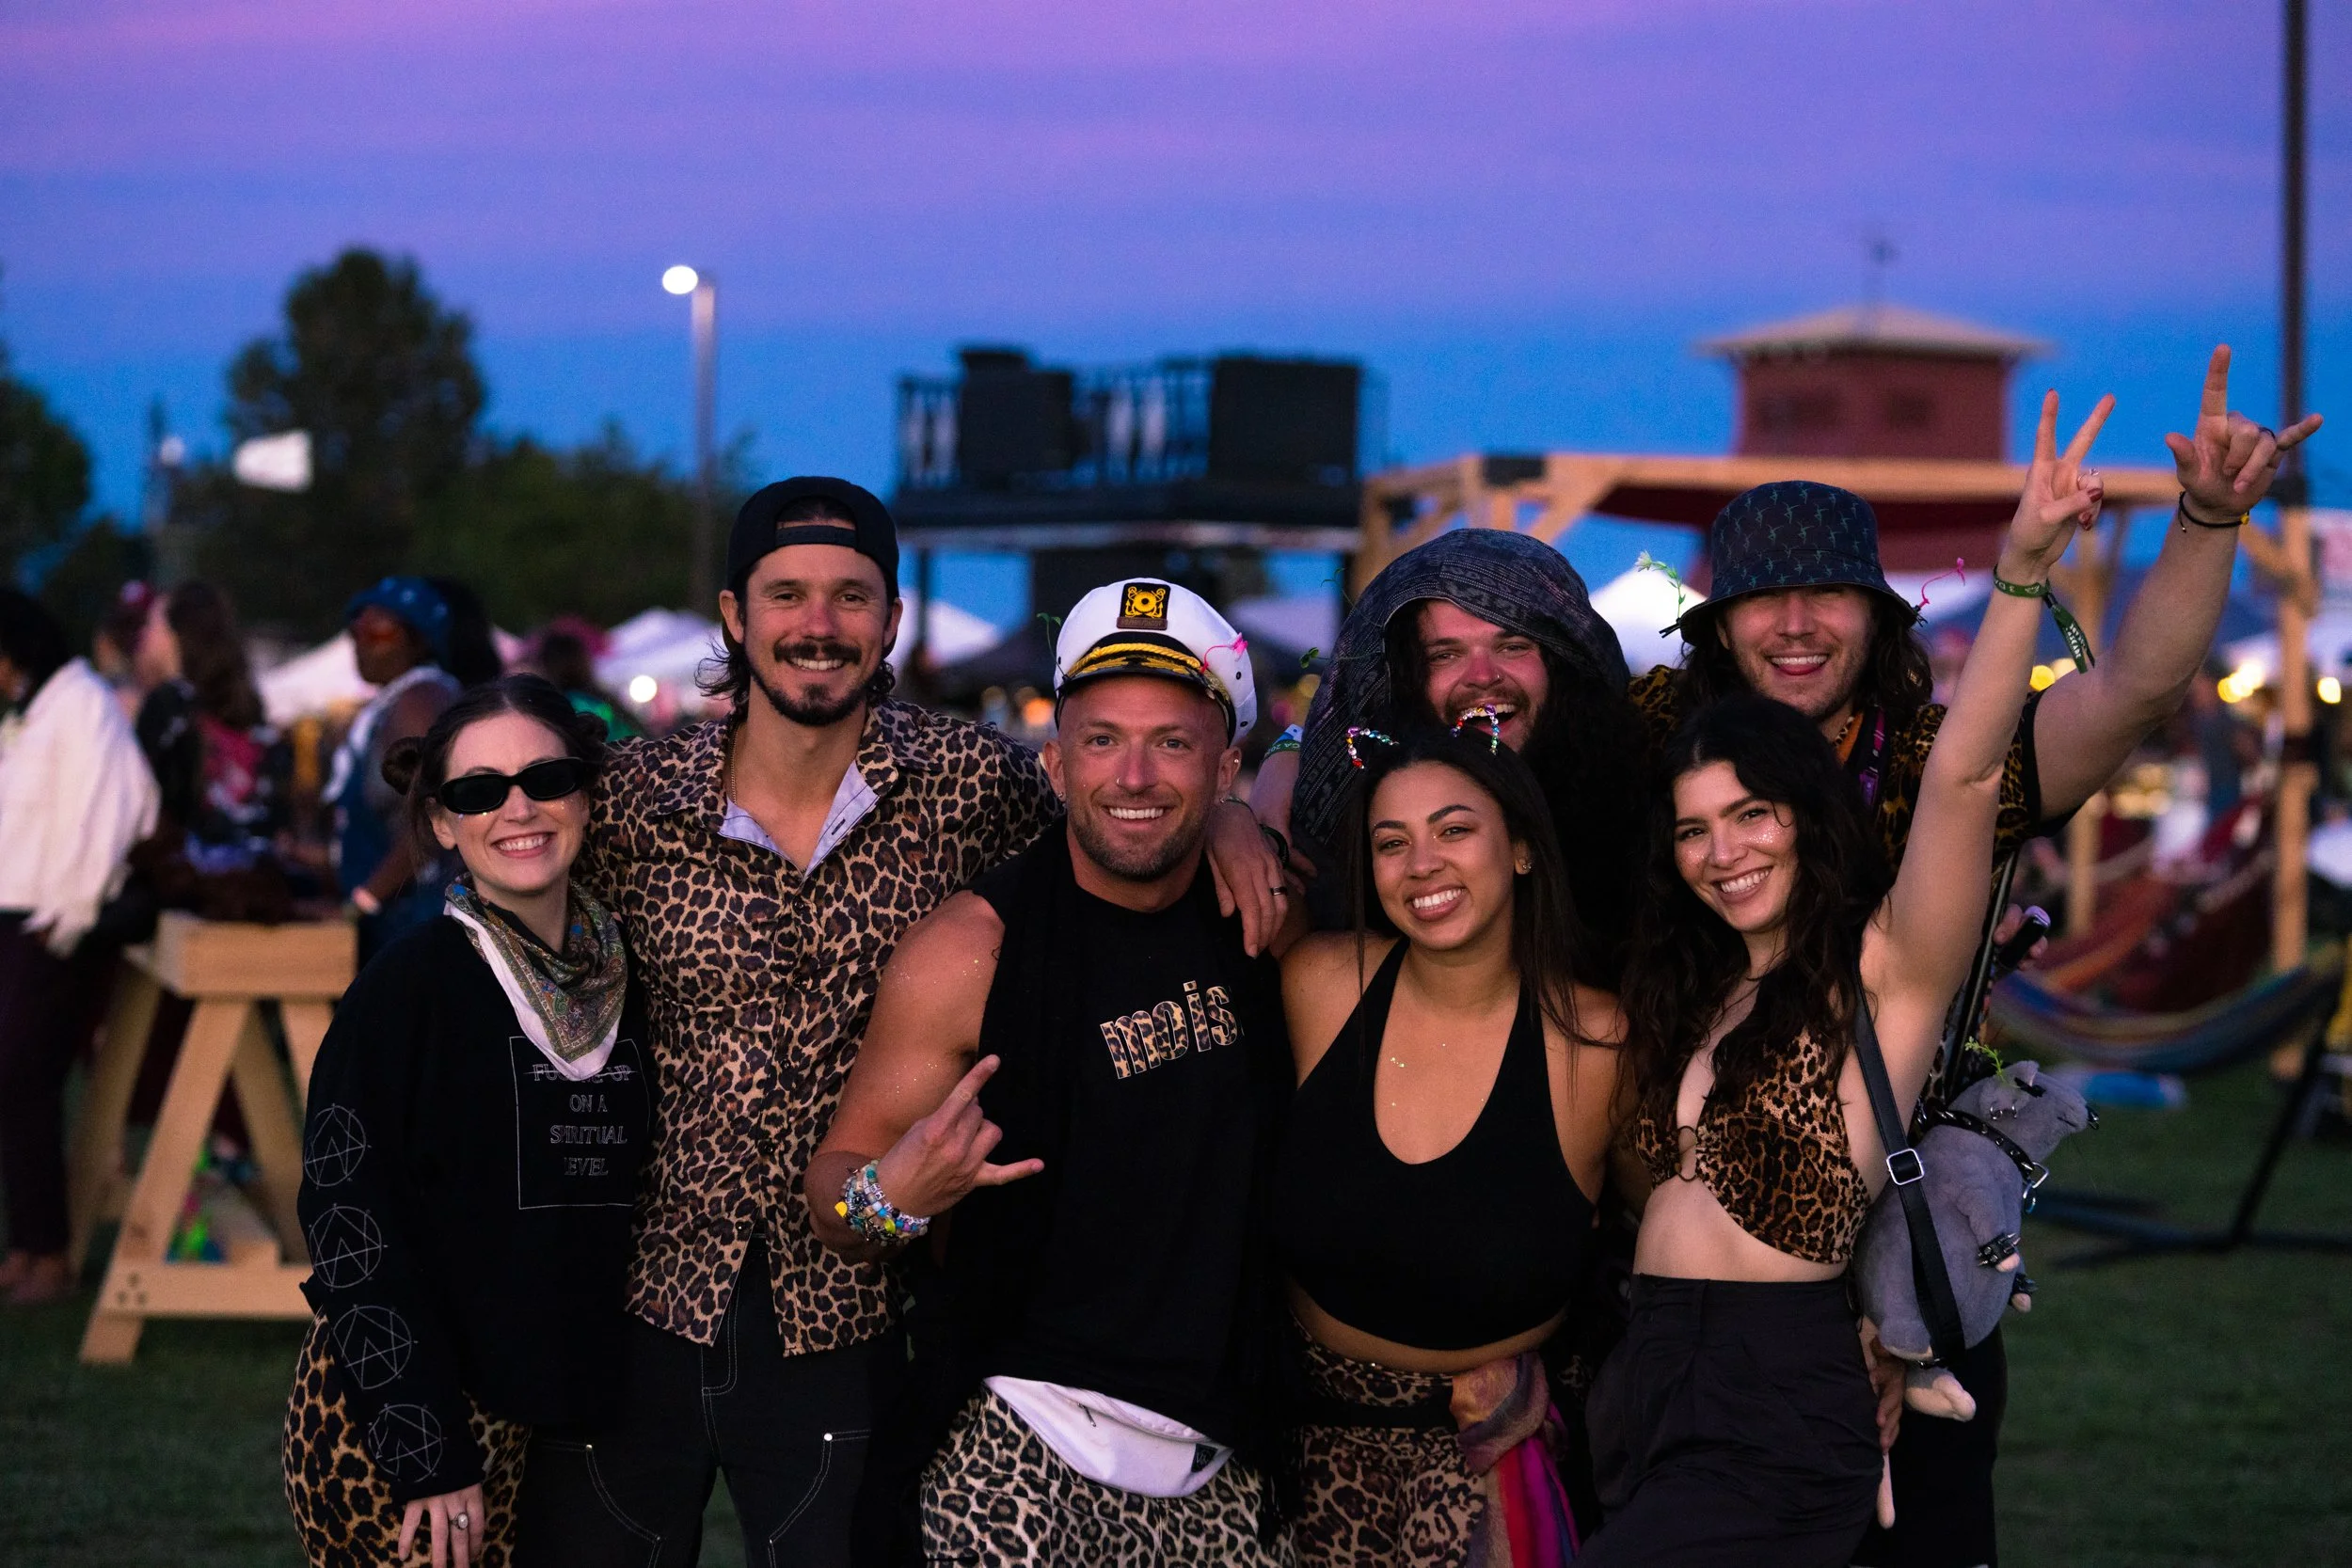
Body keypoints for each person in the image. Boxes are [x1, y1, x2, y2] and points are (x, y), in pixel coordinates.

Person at [1629, 351, 2320, 1568]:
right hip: (1685, 1290)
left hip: (1906, 1245)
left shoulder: (1935, 758)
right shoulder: (1653, 755)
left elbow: (2132, 689)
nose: (1795, 621)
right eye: (1764, 596)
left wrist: (2207, 519)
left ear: (1878, 614)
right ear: (1717, 622)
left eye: (1827, 592)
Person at [558, 480, 1294, 1565]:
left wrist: (1231, 814)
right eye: (787, 594)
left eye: (851, 595)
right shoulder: (630, 798)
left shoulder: (973, 779)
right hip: (643, 1287)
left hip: (843, 1319)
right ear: (734, 614)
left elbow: (1125, 809)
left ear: (892, 619)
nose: (818, 623)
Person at [1577, 392, 2106, 1567]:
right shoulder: (1700, 991)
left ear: (1811, 818)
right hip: (1650, 1377)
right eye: (1694, 827)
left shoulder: (1884, 969)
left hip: (1768, 1393)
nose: (1723, 850)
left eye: (1753, 815)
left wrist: (2021, 570)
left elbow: (1965, 776)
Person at [809, 578, 1300, 1568]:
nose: (1134, 774)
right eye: (1102, 739)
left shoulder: (1266, 914)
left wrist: (1254, 823)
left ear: (1224, 766)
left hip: (1225, 1458)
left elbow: (1366, 768)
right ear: (1055, 762)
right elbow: (835, 1195)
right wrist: (891, 1198)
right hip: (1016, 1443)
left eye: (1172, 742)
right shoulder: (969, 951)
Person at [284, 674, 653, 1568]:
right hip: (413, 1429)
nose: (517, 808)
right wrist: (427, 1450)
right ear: (444, 822)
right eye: (480, 790)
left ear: (585, 797)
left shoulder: (629, 978)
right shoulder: (403, 992)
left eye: (546, 780)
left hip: (571, 1426)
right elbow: (346, 1219)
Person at [1274, 721, 1623, 1563]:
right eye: (1391, 842)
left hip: (1490, 1461)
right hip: (1298, 1455)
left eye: (1454, 829)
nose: (1421, 863)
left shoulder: (1599, 1043)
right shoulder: (1317, 984)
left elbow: (1675, 1235)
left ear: (1523, 849)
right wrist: (1239, 816)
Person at [1270, 531, 1649, 973]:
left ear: (1561, 662)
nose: (1483, 676)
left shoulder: (1648, 803)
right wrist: (1236, 811)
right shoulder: (1334, 832)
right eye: (1444, 655)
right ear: (1405, 680)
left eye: (1513, 647)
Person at [0, 590, 159, 1307]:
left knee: (25, 1079)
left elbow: (101, 818)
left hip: (57, 924)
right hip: (21, 921)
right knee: (16, 1085)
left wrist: (64, 919)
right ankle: (28, 1245)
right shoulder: (35, 712)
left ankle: (51, 1253)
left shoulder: (83, 705)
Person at [326, 577, 462, 958]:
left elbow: (435, 818)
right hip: (393, 917)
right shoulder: (392, 702)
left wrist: (364, 900)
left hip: (414, 918)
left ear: (420, 640)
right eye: (356, 630)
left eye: (378, 632)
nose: (361, 643)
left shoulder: (420, 702)